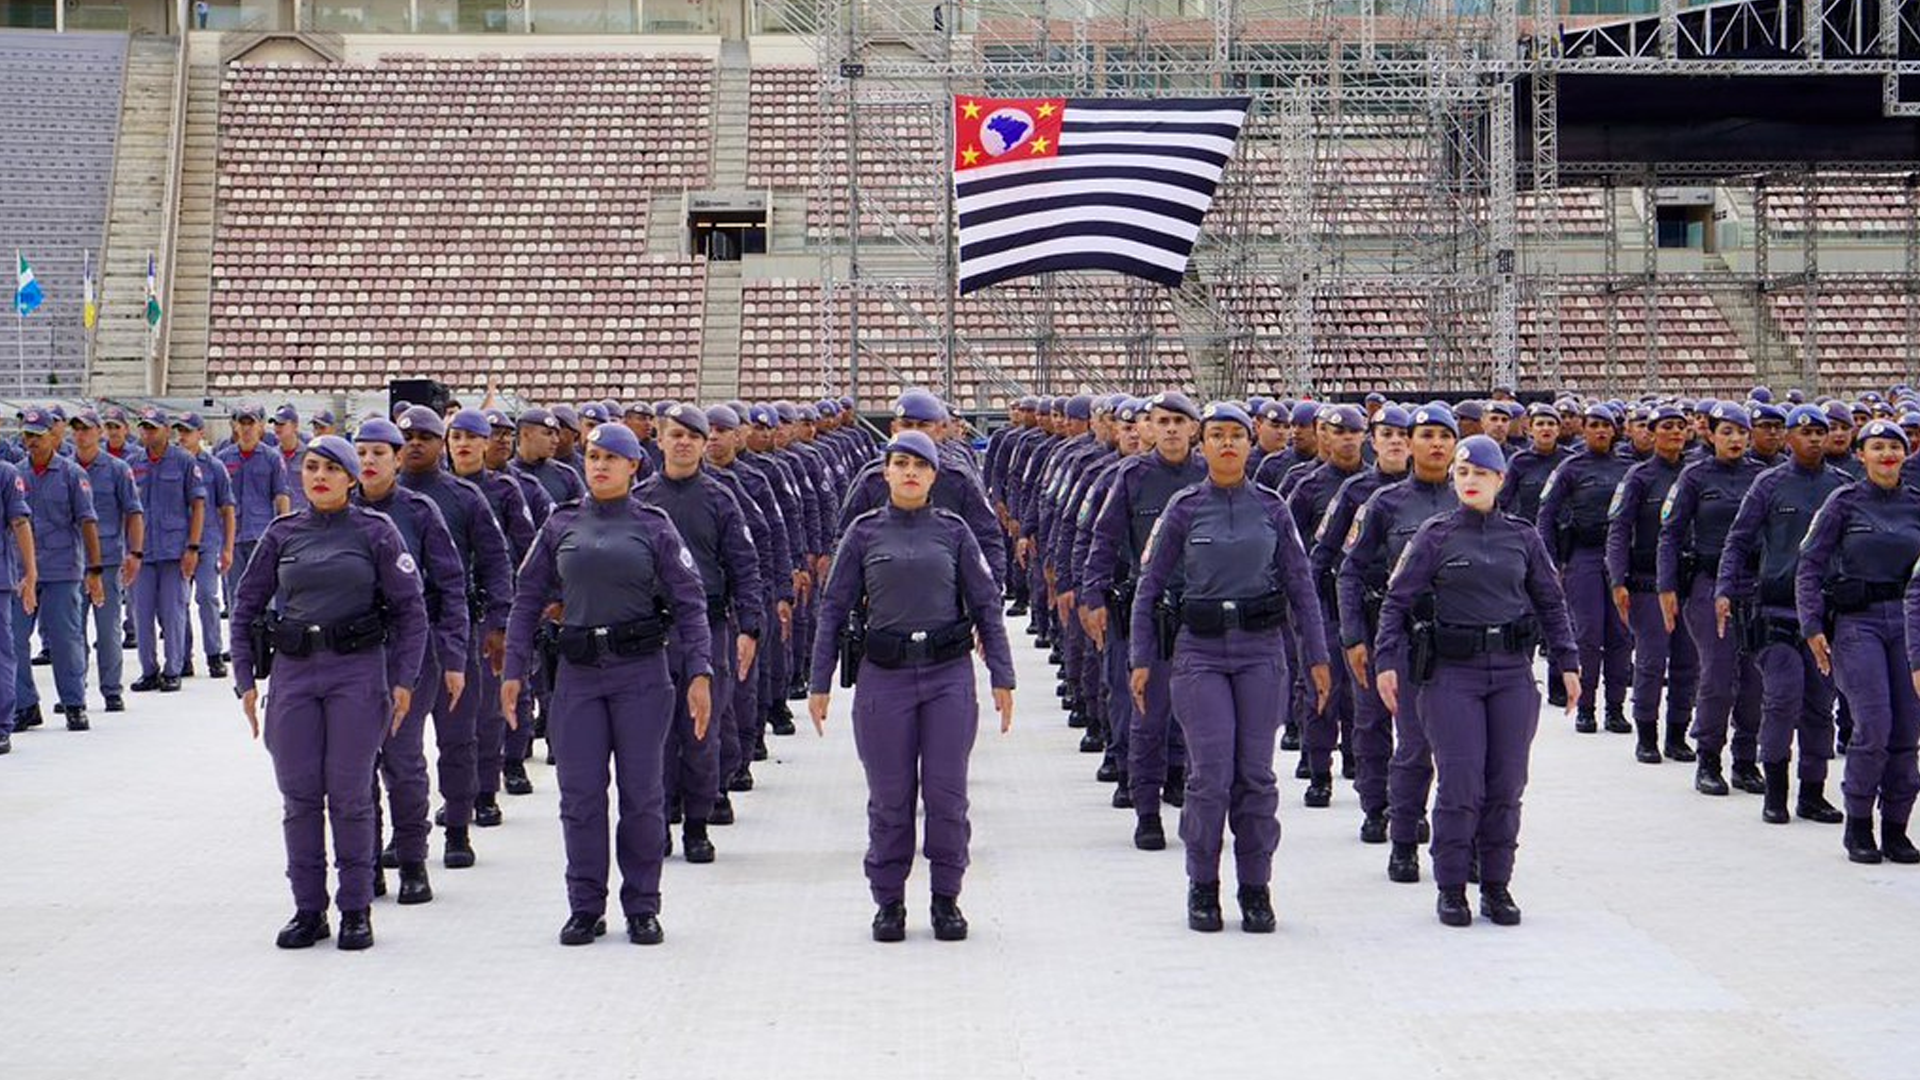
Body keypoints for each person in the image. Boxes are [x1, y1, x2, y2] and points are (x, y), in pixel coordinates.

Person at [500, 422, 713, 946]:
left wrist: (701, 672)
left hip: (640, 674)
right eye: (593, 456)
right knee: (580, 796)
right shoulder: (561, 523)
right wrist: (512, 668)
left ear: (633, 465)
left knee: (642, 795)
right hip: (577, 677)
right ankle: (585, 905)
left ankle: (642, 905)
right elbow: (527, 598)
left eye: (611, 458)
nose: (599, 466)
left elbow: (690, 602)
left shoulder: (654, 526)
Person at [808, 430, 1014, 943]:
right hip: (885, 678)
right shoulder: (862, 534)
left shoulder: (955, 531)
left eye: (919, 466)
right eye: (900, 463)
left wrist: (1002, 677)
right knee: (890, 797)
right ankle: (889, 901)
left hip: (947, 676)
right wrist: (819, 682)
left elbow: (986, 604)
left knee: (947, 794)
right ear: (886, 473)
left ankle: (947, 897)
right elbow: (833, 609)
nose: (910, 473)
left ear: (933, 476)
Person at [1129, 404, 1328, 933]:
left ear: (1248, 443)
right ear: (1202, 441)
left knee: (1257, 777)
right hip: (1200, 653)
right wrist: (1141, 657)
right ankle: (1204, 884)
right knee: (1210, 775)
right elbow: (1150, 586)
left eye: (1236, 436)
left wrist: (1316, 655)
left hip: (1262, 651)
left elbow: (1301, 585)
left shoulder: (1273, 507)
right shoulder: (1185, 508)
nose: (1226, 445)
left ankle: (1255, 887)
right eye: (1215, 435)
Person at [230, 435, 429, 950]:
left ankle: (356, 907)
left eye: (331, 468)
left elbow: (411, 611)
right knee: (299, 796)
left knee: (349, 794)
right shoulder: (283, 534)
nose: (319, 476)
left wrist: (403, 679)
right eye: (311, 467)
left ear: (350, 478)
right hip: (295, 674)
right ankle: (308, 908)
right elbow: (245, 607)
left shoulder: (376, 532)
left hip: (356, 673)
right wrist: (246, 680)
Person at [1375, 435, 1579, 928]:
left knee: (1506, 783)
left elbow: (1551, 602)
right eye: (1463, 474)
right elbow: (1397, 601)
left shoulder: (1523, 537)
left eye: (1481, 474)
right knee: (1460, 783)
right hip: (1452, 675)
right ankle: (1450, 887)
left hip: (1511, 673)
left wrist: (1567, 662)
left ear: (1500, 481)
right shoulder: (1435, 535)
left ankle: (1496, 884)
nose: (1470, 481)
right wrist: (1385, 659)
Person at [632, 404, 761, 862]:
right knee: (656, 732)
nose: (683, 442)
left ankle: (698, 821)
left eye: (693, 435)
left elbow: (744, 565)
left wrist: (750, 626)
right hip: (654, 631)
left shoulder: (721, 498)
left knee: (702, 728)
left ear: (705, 444)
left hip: (708, 626)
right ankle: (663, 814)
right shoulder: (641, 498)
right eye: (675, 434)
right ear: (659, 441)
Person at [1336, 403, 1459, 880]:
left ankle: (1454, 837)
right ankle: (1389, 818)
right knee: (1401, 740)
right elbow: (1346, 569)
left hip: (1458, 642)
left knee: (1455, 750)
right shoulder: (1381, 505)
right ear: (1409, 444)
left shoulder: (1469, 497)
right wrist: (1352, 636)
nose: (1434, 444)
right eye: (1423, 435)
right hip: (1399, 637)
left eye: (1443, 436)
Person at [1081, 392, 1205, 846]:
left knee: (1196, 714)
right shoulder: (1132, 475)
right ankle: (1144, 799)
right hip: (1146, 609)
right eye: (1161, 421)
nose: (1170, 429)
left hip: (1198, 611)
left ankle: (1183, 784)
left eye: (1179, 420)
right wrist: (1092, 593)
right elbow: (1105, 536)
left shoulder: (1210, 472)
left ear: (1194, 428)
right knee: (1143, 709)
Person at [352, 418, 468, 903]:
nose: (368, 462)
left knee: (401, 758)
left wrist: (456, 654)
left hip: (408, 651)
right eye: (361, 453)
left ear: (398, 459)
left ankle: (413, 859)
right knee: (356, 764)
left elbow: (450, 585)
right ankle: (367, 860)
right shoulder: (336, 509)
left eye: (379, 452)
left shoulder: (420, 512)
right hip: (352, 654)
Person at [395, 405, 515, 865]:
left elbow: (495, 562)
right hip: (399, 637)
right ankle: (405, 831)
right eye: (409, 438)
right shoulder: (380, 497)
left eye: (426, 436)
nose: (416, 444)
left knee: (457, 735)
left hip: (453, 629)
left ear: (437, 443)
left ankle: (459, 828)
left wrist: (499, 623)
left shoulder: (465, 498)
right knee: (397, 744)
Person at [1717, 404, 1847, 824]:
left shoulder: (1841, 488)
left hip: (1825, 614)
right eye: (1803, 432)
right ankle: (1776, 792)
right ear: (1789, 438)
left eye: (1819, 432)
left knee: (1818, 705)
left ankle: (1812, 792)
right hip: (1775, 609)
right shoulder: (1769, 484)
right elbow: (1738, 540)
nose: (1813, 438)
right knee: (1782, 699)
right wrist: (1724, 590)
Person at [1800, 419, 1920, 863]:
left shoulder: (1915, 504)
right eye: (1878, 447)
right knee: (1873, 726)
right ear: (1861, 454)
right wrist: (1812, 626)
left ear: (1905, 454)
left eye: (1895, 446)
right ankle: (1859, 825)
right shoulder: (1843, 503)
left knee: (1908, 729)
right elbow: (1809, 565)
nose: (1887, 454)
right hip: (1858, 625)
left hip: (1907, 624)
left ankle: (1896, 827)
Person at [1658, 402, 1768, 797]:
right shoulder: (1695, 477)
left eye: (1742, 432)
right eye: (1727, 432)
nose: (1735, 439)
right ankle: (1709, 758)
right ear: (1710, 435)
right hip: (1707, 584)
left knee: (1755, 678)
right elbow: (1670, 533)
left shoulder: (1763, 477)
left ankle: (1745, 760)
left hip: (1753, 585)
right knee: (1719, 674)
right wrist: (1666, 587)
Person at [446, 407, 536, 828]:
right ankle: (459, 791)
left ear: (485, 444)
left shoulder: (503, 490)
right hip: (447, 614)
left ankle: (486, 789)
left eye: (471, 436)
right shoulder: (433, 491)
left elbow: (524, 550)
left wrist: (513, 607)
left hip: (489, 609)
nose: (462, 444)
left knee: (486, 707)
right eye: (455, 436)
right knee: (452, 714)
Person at [1605, 404, 1699, 764]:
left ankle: (1677, 733)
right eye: (1666, 427)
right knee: (1650, 660)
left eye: (1680, 426)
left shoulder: (1695, 474)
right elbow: (1619, 529)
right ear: (1652, 432)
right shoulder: (1639, 477)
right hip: (1646, 582)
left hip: (1687, 582)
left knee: (1687, 663)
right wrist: (1617, 579)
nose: (1675, 432)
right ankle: (1646, 733)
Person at [1536, 404, 1633, 734]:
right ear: (1584, 429)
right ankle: (1586, 706)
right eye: (1594, 425)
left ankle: (1616, 708)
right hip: (1584, 557)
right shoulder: (1570, 468)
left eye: (1607, 425)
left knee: (1620, 635)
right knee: (1588, 634)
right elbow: (1546, 515)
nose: (1601, 431)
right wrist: (1549, 561)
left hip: (1620, 558)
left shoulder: (1628, 467)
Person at [14, 407, 101, 733]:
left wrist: (94, 569)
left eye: (37, 436)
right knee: (13, 639)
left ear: (54, 435)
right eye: (27, 435)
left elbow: (88, 522)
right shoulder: (16, 474)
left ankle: (74, 703)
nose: (31, 442)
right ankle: (25, 704)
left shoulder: (72, 474)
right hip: (22, 573)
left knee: (66, 640)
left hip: (63, 570)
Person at [128, 407, 207, 693]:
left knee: (173, 612)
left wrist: (193, 547)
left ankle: (173, 668)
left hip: (175, 550)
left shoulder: (184, 462)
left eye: (153, 427)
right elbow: (128, 508)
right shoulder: (133, 462)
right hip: (142, 550)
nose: (147, 432)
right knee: (142, 612)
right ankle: (149, 670)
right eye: (144, 427)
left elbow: (198, 505)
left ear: (166, 430)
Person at [71, 410, 142, 714]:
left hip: (108, 558)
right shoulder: (64, 468)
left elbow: (134, 512)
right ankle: (74, 690)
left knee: (107, 628)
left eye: (87, 429)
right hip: (70, 562)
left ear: (98, 432)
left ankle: (111, 690)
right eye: (76, 430)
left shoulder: (116, 469)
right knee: (72, 631)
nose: (81, 435)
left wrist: (134, 552)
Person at [215, 404, 291, 645]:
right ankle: (240, 647)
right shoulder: (223, 459)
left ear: (260, 426)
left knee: (262, 594)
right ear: (235, 426)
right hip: (233, 538)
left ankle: (262, 645)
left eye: (251, 422)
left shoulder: (271, 458)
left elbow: (281, 496)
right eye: (242, 422)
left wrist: (283, 533)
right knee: (235, 595)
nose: (246, 428)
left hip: (262, 537)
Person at [175, 412, 236, 678]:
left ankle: (214, 654)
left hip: (208, 540)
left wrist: (228, 547)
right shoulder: (172, 464)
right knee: (178, 601)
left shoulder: (214, 466)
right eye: (180, 431)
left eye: (188, 431)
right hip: (178, 540)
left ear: (201, 434)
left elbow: (227, 508)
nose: (182, 437)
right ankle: (182, 656)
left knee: (207, 597)